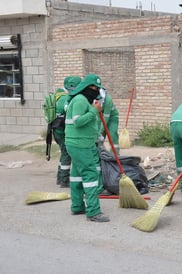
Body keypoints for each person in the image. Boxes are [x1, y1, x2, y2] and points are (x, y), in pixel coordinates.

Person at [65, 73, 110, 222]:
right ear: (86, 87)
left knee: (77, 175)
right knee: (90, 175)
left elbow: (88, 124)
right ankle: (93, 212)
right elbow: (78, 122)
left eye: (98, 88)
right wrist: (94, 111)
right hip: (80, 145)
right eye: (94, 87)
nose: (96, 90)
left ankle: (77, 206)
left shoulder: (84, 100)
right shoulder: (80, 100)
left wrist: (97, 136)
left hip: (78, 143)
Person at [53, 75, 81, 188]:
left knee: (63, 153)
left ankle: (59, 177)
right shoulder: (65, 99)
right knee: (66, 154)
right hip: (61, 131)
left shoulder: (58, 96)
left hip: (56, 130)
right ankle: (64, 180)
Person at [97, 87, 120, 154]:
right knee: (100, 136)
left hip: (112, 118)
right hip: (101, 117)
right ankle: (100, 153)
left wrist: (101, 130)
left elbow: (106, 117)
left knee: (112, 134)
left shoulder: (108, 100)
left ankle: (115, 154)